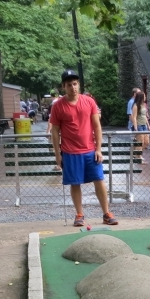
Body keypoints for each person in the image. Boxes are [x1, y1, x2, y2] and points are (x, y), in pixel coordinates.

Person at [49, 69, 119, 227]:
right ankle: (79, 215)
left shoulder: (89, 102)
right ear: (63, 87)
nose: (72, 87)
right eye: (69, 85)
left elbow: (97, 126)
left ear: (78, 84)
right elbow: (54, 131)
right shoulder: (58, 106)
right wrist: (58, 154)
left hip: (90, 150)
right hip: (70, 152)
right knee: (75, 183)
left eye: (75, 84)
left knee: (99, 180)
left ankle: (106, 214)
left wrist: (99, 149)